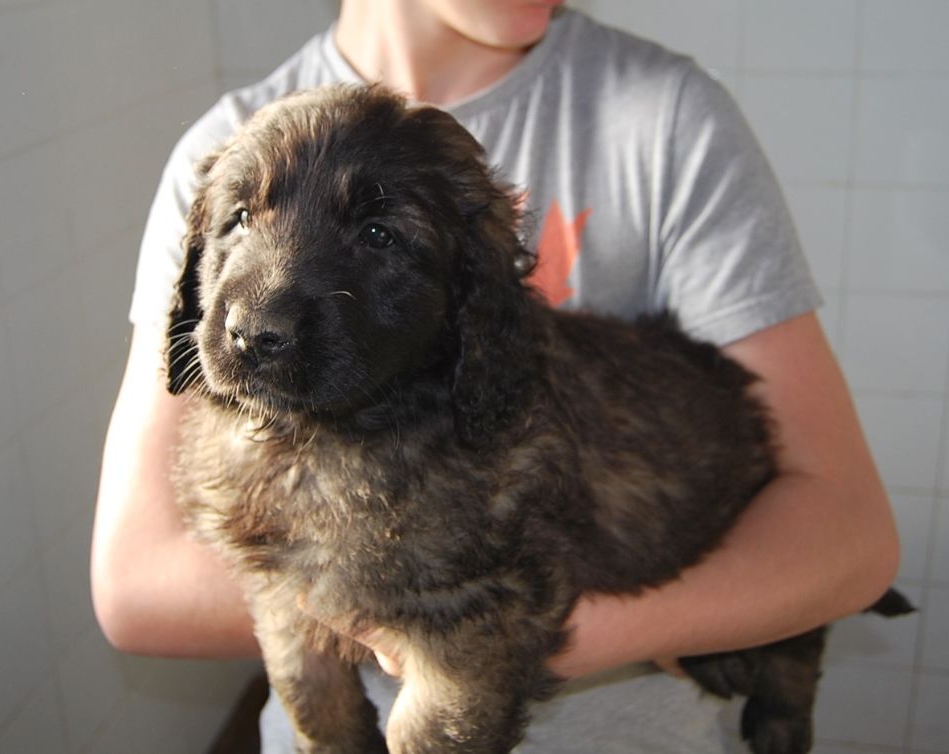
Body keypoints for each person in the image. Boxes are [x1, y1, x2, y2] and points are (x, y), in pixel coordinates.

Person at [91, 1, 900, 751]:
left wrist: (580, 627)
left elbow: (849, 532)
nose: (263, 312)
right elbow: (136, 589)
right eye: (240, 219)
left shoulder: (669, 116)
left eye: (379, 235)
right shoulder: (223, 138)